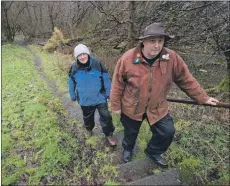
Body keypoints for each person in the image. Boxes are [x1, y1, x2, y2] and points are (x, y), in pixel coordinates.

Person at [110, 23, 219, 167]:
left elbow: (186, 79)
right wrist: (116, 105)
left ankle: (153, 151)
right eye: (152, 41)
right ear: (143, 41)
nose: (156, 45)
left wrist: (203, 97)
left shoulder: (171, 57)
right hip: (132, 106)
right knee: (130, 132)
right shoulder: (128, 58)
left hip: (157, 106)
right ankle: (128, 149)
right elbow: (118, 83)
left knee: (167, 132)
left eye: (160, 41)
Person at [68, 44, 116, 147]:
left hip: (100, 97)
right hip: (85, 100)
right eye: (79, 55)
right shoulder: (73, 67)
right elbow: (71, 81)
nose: (82, 57)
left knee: (106, 117)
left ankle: (109, 134)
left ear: (88, 53)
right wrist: (72, 94)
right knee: (87, 118)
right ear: (76, 57)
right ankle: (89, 130)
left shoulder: (96, 63)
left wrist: (108, 92)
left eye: (84, 54)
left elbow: (106, 78)